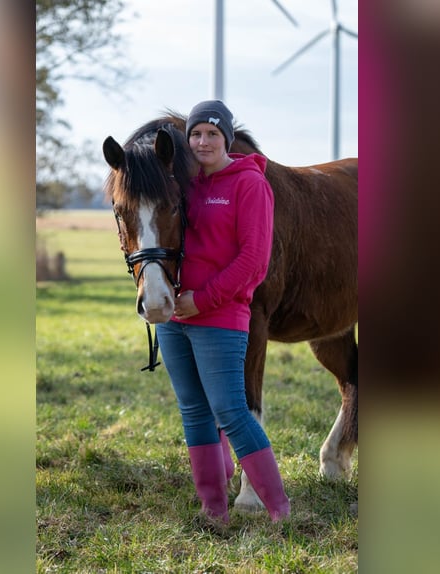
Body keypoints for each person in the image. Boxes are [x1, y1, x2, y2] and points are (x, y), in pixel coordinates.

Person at [156, 100, 290, 523]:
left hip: (219, 316)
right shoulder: (185, 185)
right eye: (196, 134)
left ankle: (279, 509)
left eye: (213, 134)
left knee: (231, 411)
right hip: (175, 320)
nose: (203, 142)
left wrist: (202, 298)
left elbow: (254, 261)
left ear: (227, 139)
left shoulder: (250, 184)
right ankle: (213, 508)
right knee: (194, 412)